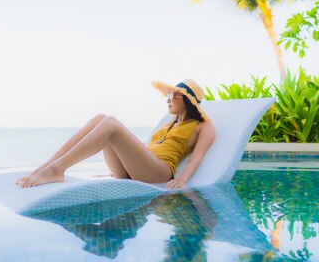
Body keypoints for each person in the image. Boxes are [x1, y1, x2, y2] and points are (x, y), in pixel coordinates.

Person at [16, 79, 216, 189]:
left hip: (158, 173)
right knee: (100, 118)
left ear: (188, 100)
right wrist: (117, 169)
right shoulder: (168, 124)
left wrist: (182, 180)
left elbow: (196, 158)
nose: (167, 99)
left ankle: (56, 170)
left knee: (110, 122)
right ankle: (47, 167)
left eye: (172, 95)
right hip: (136, 171)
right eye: (167, 95)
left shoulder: (202, 126)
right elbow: (141, 151)